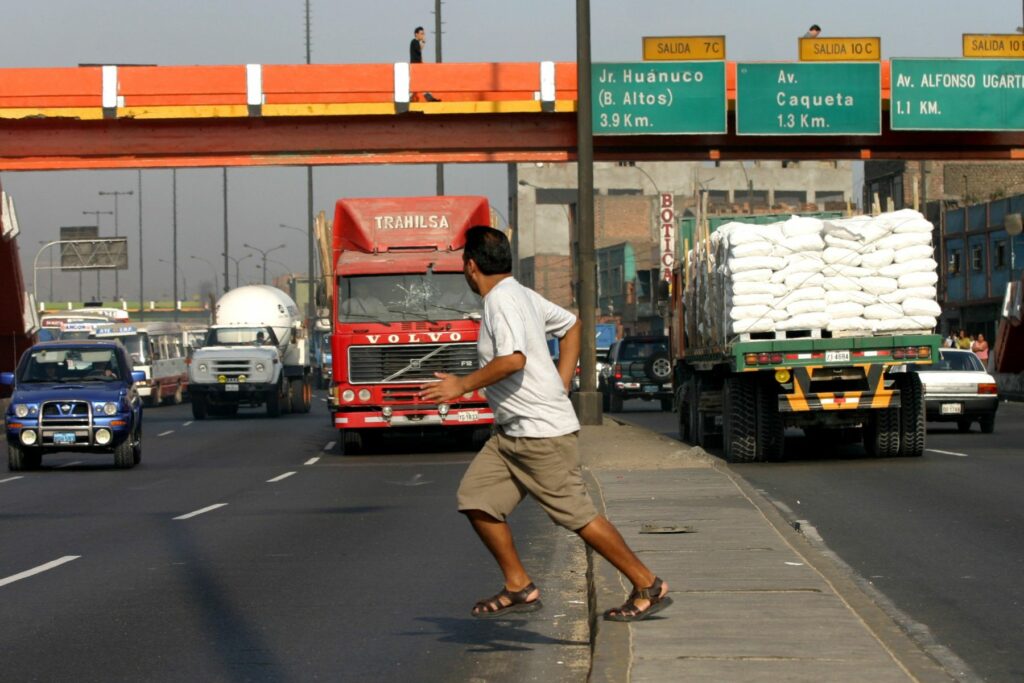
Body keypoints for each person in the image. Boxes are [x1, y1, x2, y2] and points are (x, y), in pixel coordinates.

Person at [419, 226, 671, 622]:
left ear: (470, 266)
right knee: (476, 498)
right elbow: (572, 324)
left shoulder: (502, 301)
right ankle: (518, 584)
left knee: (577, 516)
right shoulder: (519, 293)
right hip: (511, 436)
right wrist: (561, 378)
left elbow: (513, 359)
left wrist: (461, 386)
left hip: (540, 434)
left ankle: (648, 583)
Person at [409, 26, 440, 102]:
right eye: (421, 34)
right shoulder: (414, 42)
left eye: (423, 34)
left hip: (417, 66)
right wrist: (423, 41)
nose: (423, 35)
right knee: (419, 82)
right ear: (416, 34)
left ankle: (427, 97)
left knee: (419, 83)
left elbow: (419, 54)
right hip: (415, 67)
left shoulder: (415, 42)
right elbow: (420, 48)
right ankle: (427, 97)